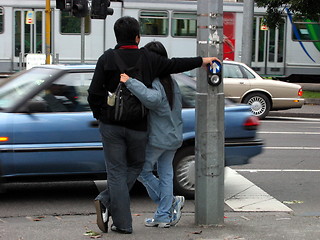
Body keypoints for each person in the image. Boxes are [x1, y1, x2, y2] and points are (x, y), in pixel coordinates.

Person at [87, 16, 220, 234]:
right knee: (135, 168)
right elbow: (176, 63)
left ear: (116, 36)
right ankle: (122, 208)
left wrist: (100, 114)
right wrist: (203, 60)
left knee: (117, 173)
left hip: (111, 126)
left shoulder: (107, 58)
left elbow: (94, 92)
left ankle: (122, 222)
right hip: (138, 128)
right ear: (137, 37)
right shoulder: (149, 58)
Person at [120, 41, 185, 228]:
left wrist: (130, 82)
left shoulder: (157, 82)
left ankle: (169, 204)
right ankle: (164, 215)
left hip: (159, 138)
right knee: (165, 174)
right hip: (173, 136)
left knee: (142, 171)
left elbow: (152, 99)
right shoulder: (172, 82)